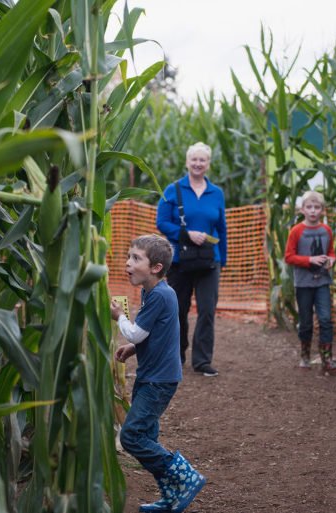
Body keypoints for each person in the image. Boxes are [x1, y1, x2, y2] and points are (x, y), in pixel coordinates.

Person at [111, 234, 205, 513]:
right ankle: (171, 496)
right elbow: (156, 335)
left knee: (131, 437)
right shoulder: (153, 292)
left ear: (156, 268)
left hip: (158, 381)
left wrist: (120, 319)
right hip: (151, 375)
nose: (128, 263)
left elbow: (138, 331)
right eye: (129, 256)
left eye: (136, 258)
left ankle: (186, 477)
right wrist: (133, 348)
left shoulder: (161, 295)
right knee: (147, 437)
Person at [156, 142, 227, 377]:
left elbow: (221, 228)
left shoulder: (216, 193)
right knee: (179, 310)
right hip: (179, 260)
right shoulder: (173, 189)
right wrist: (186, 233)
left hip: (209, 261)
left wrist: (222, 259)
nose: (198, 164)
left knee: (207, 310)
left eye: (202, 160)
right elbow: (162, 222)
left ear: (208, 164)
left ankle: (202, 361)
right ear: (187, 162)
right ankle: (177, 354)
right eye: (194, 159)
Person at [284, 190, 336, 375]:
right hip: (303, 284)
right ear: (302, 209)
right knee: (306, 321)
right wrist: (309, 260)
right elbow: (288, 256)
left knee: (326, 318)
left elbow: (331, 251)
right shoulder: (297, 231)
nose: (312, 211)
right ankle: (305, 355)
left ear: (322, 210)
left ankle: (327, 359)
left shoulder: (326, 230)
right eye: (309, 207)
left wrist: (332, 260)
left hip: (322, 283)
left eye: (316, 207)